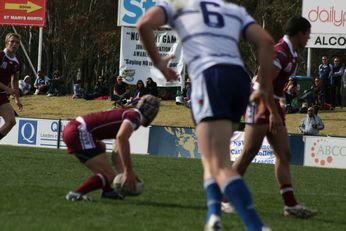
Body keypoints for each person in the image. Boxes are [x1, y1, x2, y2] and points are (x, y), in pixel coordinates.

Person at [137, 1, 275, 230]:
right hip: (238, 79)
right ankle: (213, 216)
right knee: (210, 157)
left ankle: (257, 226)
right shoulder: (234, 10)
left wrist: (160, 65)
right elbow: (267, 42)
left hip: (210, 77)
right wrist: (264, 89)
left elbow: (143, 24)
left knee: (218, 163)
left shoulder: (178, 6)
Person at [233, 16, 317, 219]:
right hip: (260, 102)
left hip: (271, 102)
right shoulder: (280, 52)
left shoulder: (291, 53)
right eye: (308, 34)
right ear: (300, 33)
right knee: (249, 152)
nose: (308, 38)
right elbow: (263, 84)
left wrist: (278, 105)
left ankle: (290, 205)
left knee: (284, 154)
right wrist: (273, 112)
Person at [62, 95, 160, 201]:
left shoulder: (129, 114)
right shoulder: (134, 117)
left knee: (102, 150)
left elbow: (116, 154)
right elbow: (121, 137)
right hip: (79, 131)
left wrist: (125, 174)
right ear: (152, 114)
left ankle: (108, 191)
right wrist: (128, 171)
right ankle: (76, 193)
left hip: (76, 129)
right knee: (108, 175)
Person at [0, 33, 23, 140]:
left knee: (11, 121)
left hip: (1, 95)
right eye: (12, 41)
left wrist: (17, 99)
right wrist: (7, 89)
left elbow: (15, 81)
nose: (15, 44)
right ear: (6, 42)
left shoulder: (17, 62)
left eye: (17, 42)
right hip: (4, 91)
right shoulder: (0, 56)